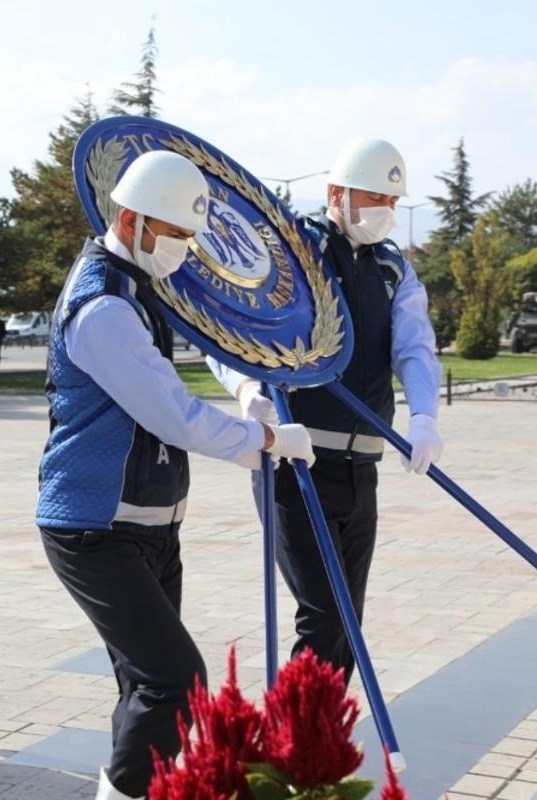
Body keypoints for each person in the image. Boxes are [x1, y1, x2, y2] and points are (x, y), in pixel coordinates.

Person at [36, 149, 316, 800]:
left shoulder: (141, 283)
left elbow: (211, 336)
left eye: (192, 238)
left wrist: (248, 387)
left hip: (151, 526)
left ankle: (134, 786)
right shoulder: (102, 304)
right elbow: (174, 417)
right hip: (93, 527)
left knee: (143, 686)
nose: (184, 251)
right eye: (176, 235)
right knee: (175, 682)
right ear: (132, 220)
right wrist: (266, 440)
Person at [210, 138, 443, 685]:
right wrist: (247, 390)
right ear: (336, 193)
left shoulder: (392, 270)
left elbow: (414, 346)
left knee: (347, 627)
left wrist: (425, 417)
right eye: (373, 196)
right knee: (322, 619)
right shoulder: (293, 252)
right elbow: (228, 331)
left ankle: (324, 751)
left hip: (362, 467)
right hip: (298, 463)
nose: (384, 210)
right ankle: (290, 751)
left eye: (392, 198)